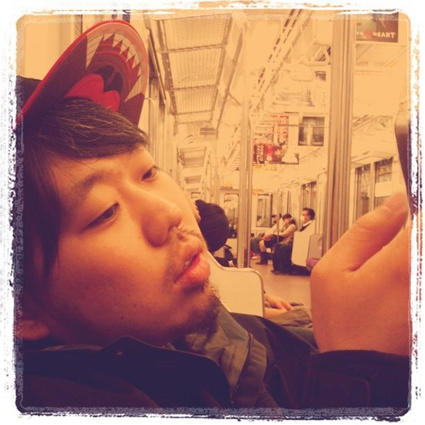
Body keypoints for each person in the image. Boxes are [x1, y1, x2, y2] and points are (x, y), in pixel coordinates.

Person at [14, 21, 411, 415]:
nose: (169, 211)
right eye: (105, 211)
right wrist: (363, 369)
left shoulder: (212, 339)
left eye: (148, 172)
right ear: (22, 309)